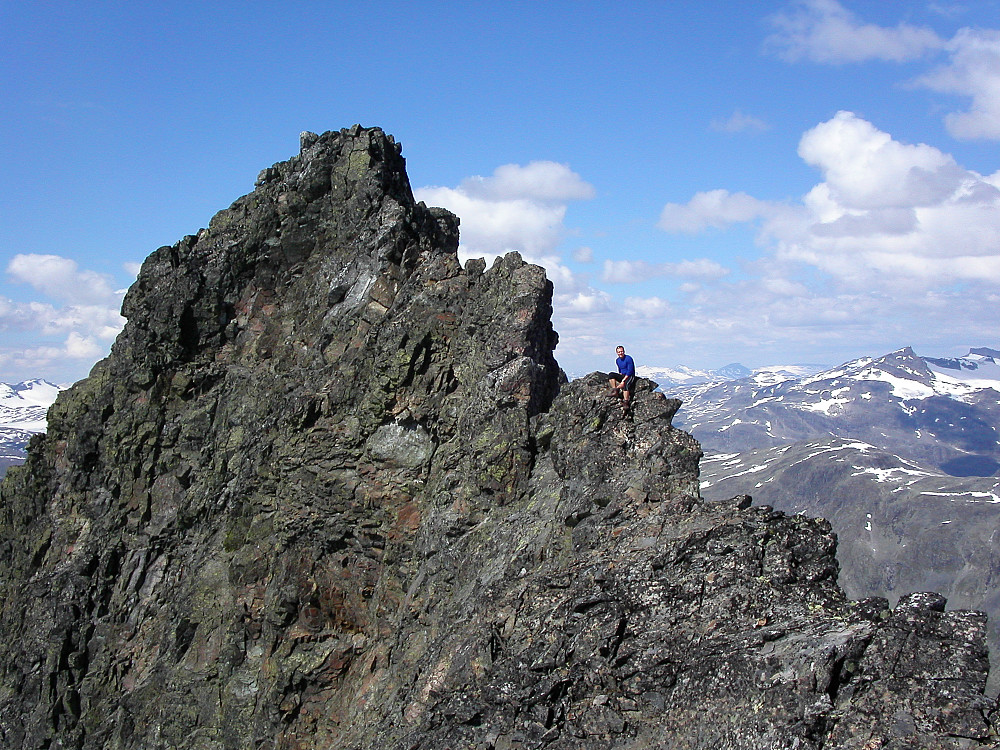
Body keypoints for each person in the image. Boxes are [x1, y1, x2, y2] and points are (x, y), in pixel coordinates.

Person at [608, 345, 636, 413]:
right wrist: (620, 377)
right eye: (619, 352)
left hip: (630, 376)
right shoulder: (617, 360)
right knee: (611, 374)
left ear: (624, 351)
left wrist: (623, 381)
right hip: (623, 375)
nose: (620, 353)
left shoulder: (628, 358)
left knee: (626, 385)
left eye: (621, 351)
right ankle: (615, 390)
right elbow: (620, 370)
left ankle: (626, 402)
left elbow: (630, 371)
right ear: (616, 353)